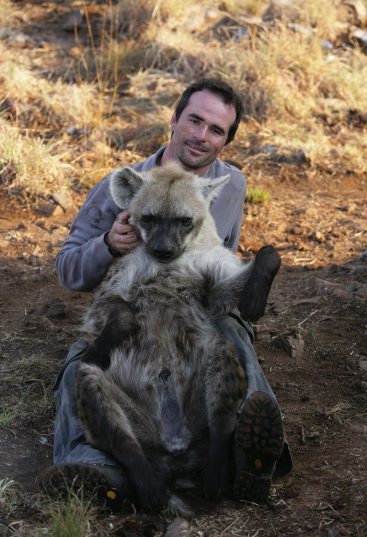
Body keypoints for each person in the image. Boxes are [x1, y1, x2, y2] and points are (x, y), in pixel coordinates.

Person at [40, 78, 292, 509]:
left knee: (230, 331)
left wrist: (240, 280)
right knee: (84, 363)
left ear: (226, 142)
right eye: (194, 120)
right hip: (128, 313)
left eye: (216, 130)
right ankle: (96, 468)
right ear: (174, 119)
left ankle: (248, 454)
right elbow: (68, 269)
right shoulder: (125, 185)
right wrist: (107, 244)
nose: (201, 135)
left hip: (192, 304)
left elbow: (218, 260)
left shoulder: (229, 185)